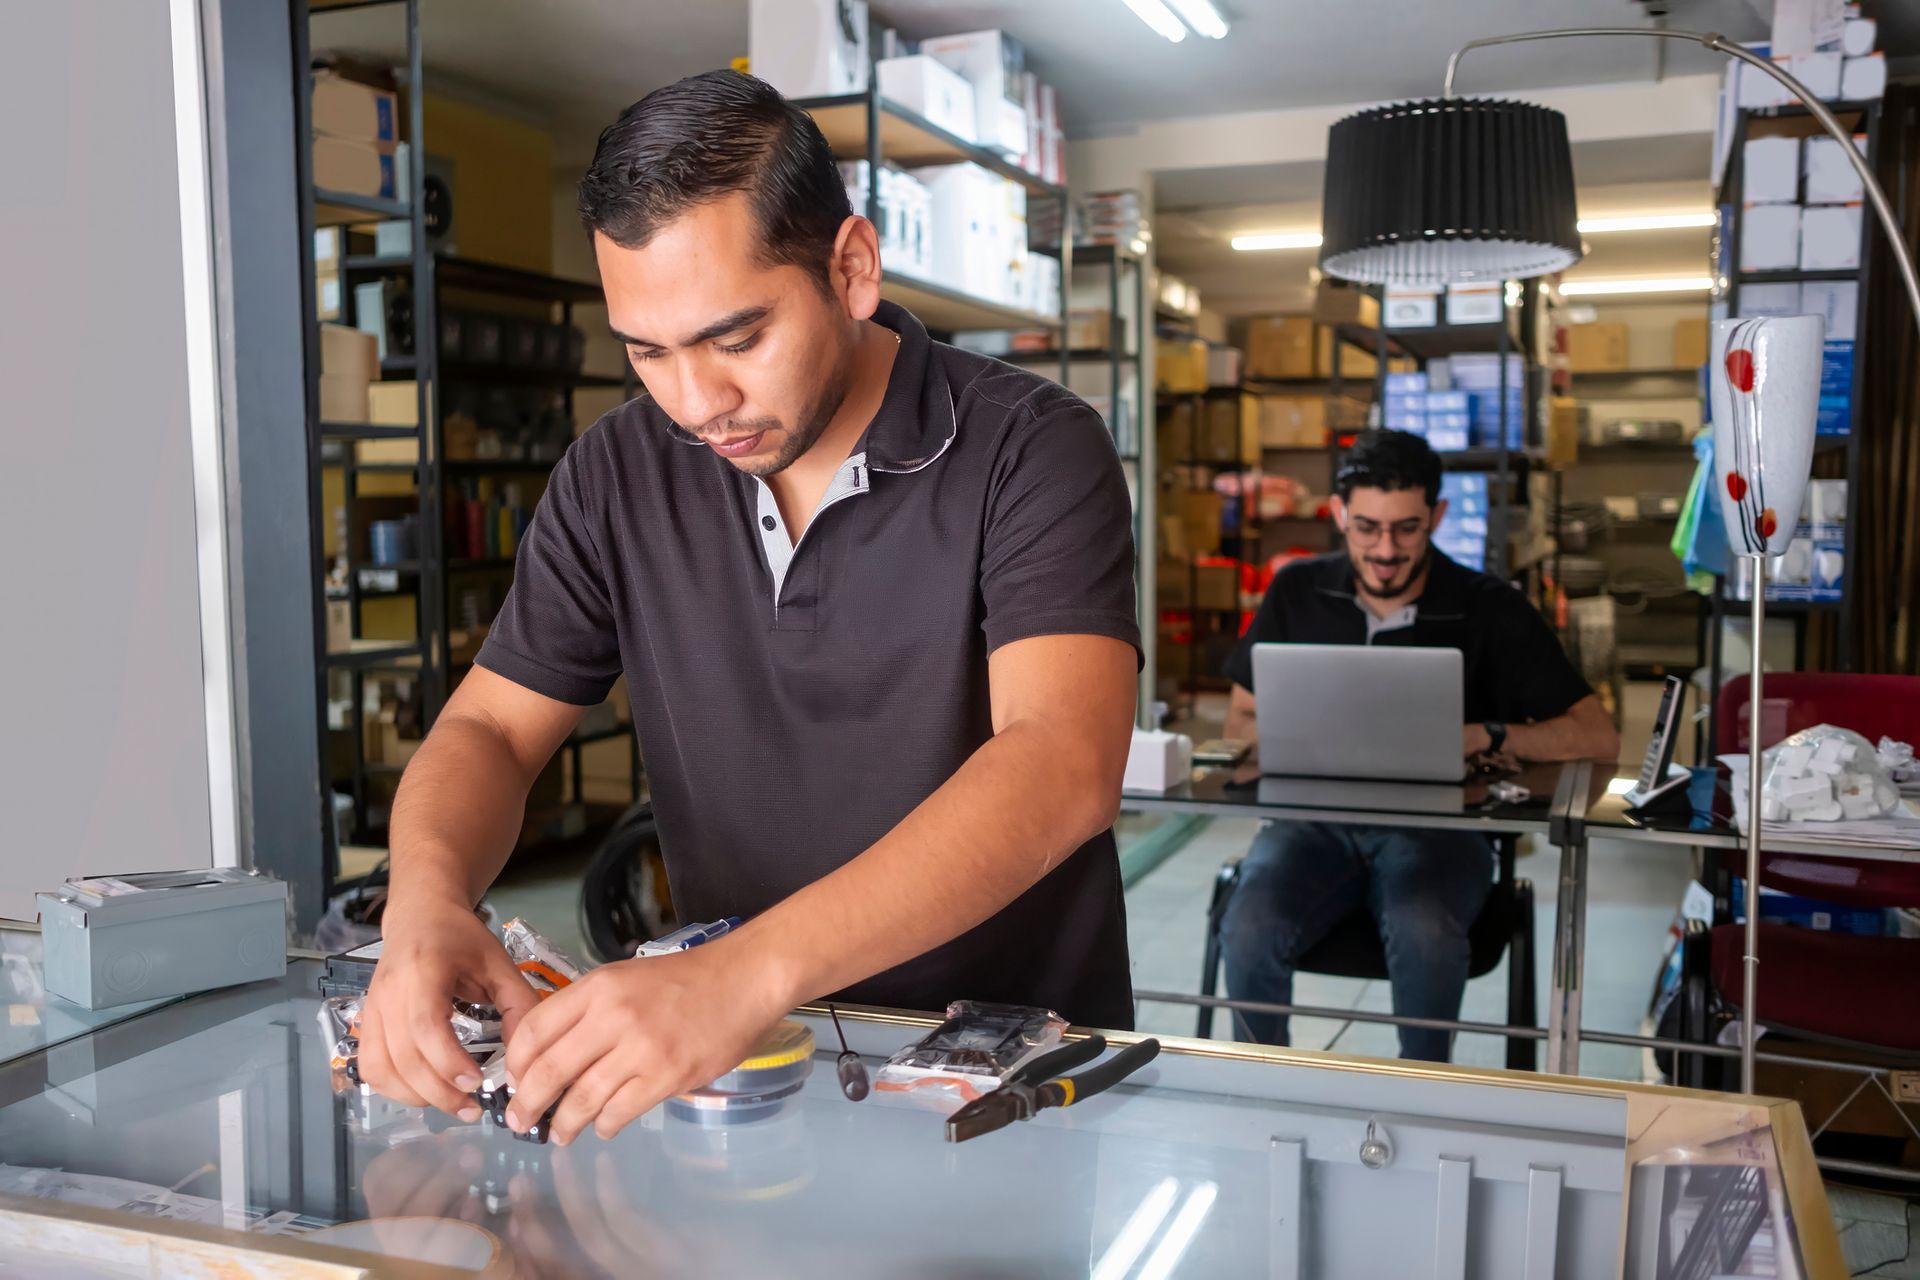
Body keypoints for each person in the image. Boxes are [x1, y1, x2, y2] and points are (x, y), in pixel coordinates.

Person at [354, 70, 1141, 1145]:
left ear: (851, 267)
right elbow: (491, 724)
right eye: (647, 351)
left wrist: (740, 972)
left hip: (1004, 1088)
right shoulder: (613, 473)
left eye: (735, 338)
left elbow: (1061, 763)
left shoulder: (1033, 447)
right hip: (749, 1075)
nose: (695, 402)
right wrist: (424, 902)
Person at [1218, 429, 1618, 1061]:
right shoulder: (1296, 590)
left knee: (1424, 928)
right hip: (1310, 824)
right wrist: (1294, 735)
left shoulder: (1490, 607)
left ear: (1437, 515)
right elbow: (1238, 721)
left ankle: (1426, 1089)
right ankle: (1267, 1084)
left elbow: (1597, 736)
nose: (1385, 550)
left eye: (1407, 529)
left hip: (1440, 829)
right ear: (1339, 513)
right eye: (1367, 527)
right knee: (1248, 928)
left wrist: (1485, 734)